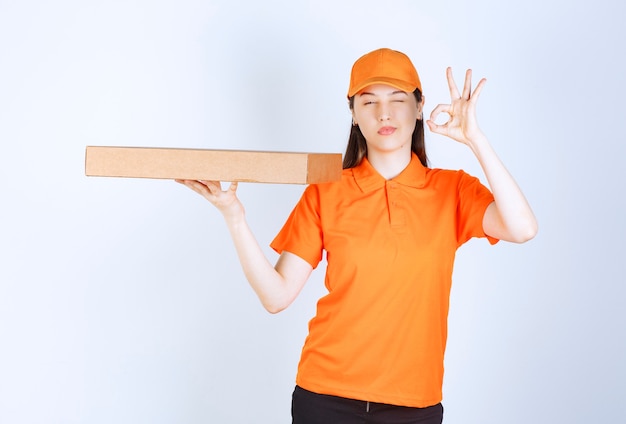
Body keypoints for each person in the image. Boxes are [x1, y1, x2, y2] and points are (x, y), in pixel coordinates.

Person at [176, 48, 537, 424]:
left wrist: (476, 140)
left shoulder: (452, 191)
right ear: (353, 114)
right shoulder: (326, 191)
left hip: (414, 405)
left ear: (419, 107)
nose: (384, 113)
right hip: (325, 398)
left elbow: (523, 228)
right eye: (369, 102)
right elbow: (276, 295)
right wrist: (233, 215)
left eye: (398, 100)